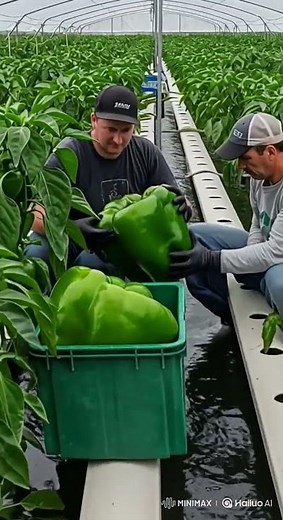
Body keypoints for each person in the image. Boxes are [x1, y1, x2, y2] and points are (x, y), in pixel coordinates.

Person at [26, 84, 191, 274]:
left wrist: (184, 207)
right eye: (111, 129)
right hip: (76, 241)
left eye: (126, 130)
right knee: (36, 251)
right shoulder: (70, 153)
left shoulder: (145, 152)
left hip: (130, 244)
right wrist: (73, 228)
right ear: (94, 120)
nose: (118, 140)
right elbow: (36, 216)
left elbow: (175, 199)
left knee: (96, 263)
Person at [169, 112, 283, 323]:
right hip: (270, 255)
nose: (241, 166)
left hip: (279, 261)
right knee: (196, 237)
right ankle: (230, 314)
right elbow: (257, 222)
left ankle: (271, 294)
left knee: (278, 283)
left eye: (245, 158)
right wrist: (249, 255)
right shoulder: (259, 177)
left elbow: (275, 251)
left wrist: (211, 259)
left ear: (270, 152)